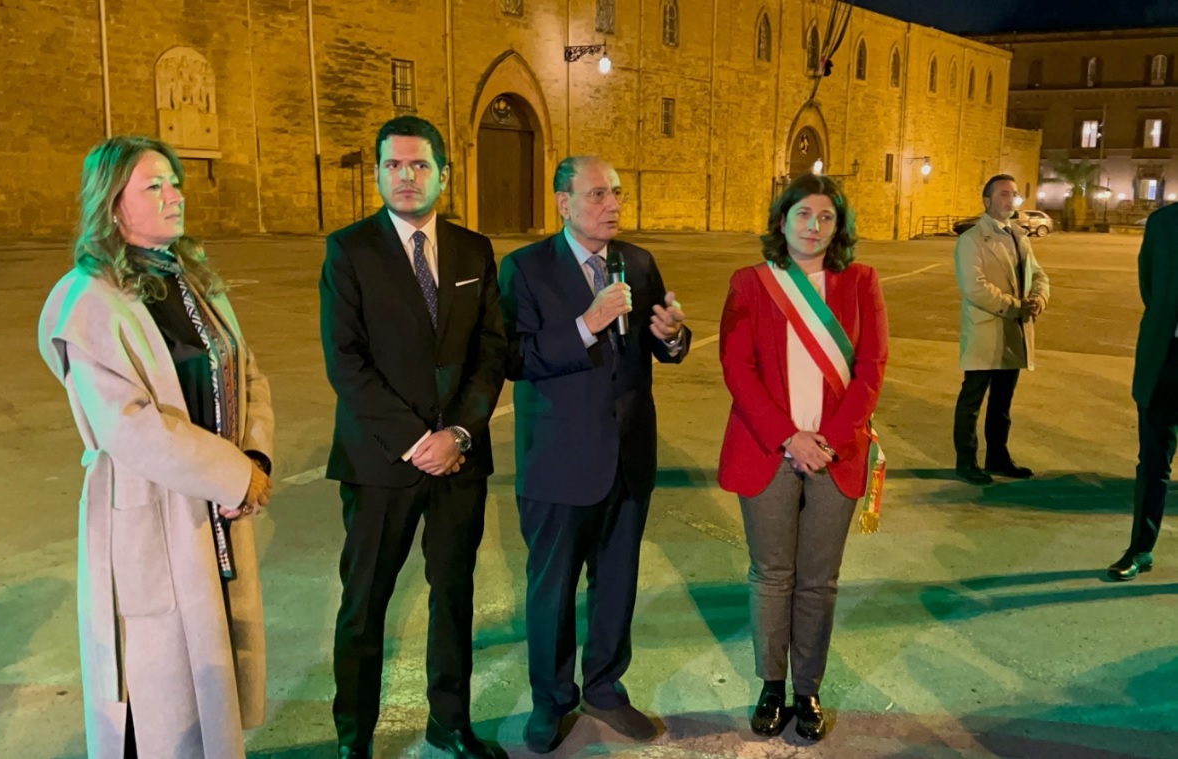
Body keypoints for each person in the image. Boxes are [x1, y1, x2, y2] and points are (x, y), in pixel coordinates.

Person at [38, 135, 275, 758]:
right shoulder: (90, 300)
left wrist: (256, 459)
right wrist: (232, 477)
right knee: (156, 697)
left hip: (215, 511)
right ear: (113, 205)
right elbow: (128, 426)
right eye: (154, 186)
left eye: (175, 183)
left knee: (210, 683)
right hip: (152, 514)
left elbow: (246, 372)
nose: (174, 196)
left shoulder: (192, 279)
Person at [319, 116, 507, 759]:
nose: (406, 177)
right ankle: (355, 737)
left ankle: (450, 723)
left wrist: (458, 431)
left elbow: (491, 351)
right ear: (376, 174)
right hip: (380, 463)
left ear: (444, 176)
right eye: (394, 166)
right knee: (365, 605)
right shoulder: (349, 251)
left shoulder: (473, 251)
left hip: (459, 459)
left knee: (454, 597)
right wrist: (415, 440)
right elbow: (346, 363)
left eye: (419, 165)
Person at [498, 155, 690, 753]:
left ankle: (605, 687)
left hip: (628, 458)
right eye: (598, 194)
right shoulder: (525, 269)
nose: (613, 205)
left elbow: (662, 349)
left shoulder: (638, 262)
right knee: (551, 590)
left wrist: (673, 336)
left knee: (617, 581)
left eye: (617, 194)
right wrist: (586, 324)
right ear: (563, 203)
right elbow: (514, 358)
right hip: (558, 460)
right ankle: (550, 700)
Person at [718, 173, 887, 742]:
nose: (813, 227)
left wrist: (829, 440)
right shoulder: (750, 283)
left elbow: (871, 368)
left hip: (836, 455)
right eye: (803, 215)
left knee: (818, 580)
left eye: (826, 217)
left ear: (839, 227)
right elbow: (737, 369)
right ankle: (771, 684)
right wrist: (790, 436)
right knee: (772, 575)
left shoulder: (861, 281)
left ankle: (807, 688)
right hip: (769, 449)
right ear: (782, 221)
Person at [952, 175, 1051, 485]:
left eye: (1014, 194)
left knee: (1002, 403)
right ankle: (966, 461)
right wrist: (1014, 306)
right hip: (986, 330)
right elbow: (974, 288)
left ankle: (998, 456)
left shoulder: (1019, 237)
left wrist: (1038, 298)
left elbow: (1039, 275)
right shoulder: (971, 240)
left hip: (1013, 333)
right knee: (972, 401)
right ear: (987, 201)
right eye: (1004, 194)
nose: (1011, 199)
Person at [1108, 203, 1178, 580]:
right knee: (1152, 464)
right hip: (1164, 359)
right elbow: (1148, 283)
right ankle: (1140, 549)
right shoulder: (1163, 223)